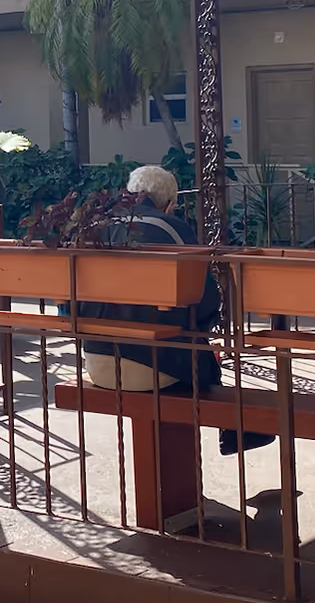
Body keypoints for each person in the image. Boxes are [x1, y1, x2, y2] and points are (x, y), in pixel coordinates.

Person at [78, 165, 270, 456]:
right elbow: (204, 300)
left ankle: (232, 426)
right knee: (197, 352)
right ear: (168, 204)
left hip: (96, 359)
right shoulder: (173, 230)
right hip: (156, 365)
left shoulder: (97, 227)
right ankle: (233, 427)